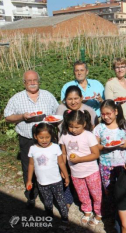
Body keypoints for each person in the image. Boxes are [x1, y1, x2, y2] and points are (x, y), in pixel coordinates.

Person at [4, 70, 59, 209]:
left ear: (38, 81)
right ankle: (31, 195)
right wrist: (22, 116)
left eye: (35, 80)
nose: (33, 83)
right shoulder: (16, 98)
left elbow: (58, 112)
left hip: (48, 139)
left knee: (51, 165)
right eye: (29, 81)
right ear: (24, 83)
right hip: (27, 139)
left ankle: (53, 193)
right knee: (28, 167)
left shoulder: (48, 95)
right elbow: (8, 117)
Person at [59, 110, 102, 226]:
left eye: (77, 127)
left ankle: (98, 212)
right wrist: (64, 170)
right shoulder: (64, 135)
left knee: (96, 193)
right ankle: (87, 211)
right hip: (75, 173)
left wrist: (79, 159)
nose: (73, 129)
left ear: (84, 124)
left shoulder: (88, 135)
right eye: (71, 126)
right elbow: (63, 154)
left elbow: (95, 154)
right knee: (82, 193)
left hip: (91, 171)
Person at [93, 100, 126, 215]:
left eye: (108, 113)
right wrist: (104, 147)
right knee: (108, 189)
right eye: (103, 114)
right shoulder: (99, 128)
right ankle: (112, 212)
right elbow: (96, 145)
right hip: (106, 164)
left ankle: (125, 210)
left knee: (123, 188)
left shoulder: (124, 126)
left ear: (115, 111)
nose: (105, 117)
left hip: (122, 163)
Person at [26, 123, 70, 221]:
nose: (44, 140)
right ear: (35, 136)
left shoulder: (55, 147)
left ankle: (64, 216)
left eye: (47, 137)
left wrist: (66, 176)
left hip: (56, 181)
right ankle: (49, 215)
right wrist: (29, 180)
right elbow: (31, 165)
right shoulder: (33, 149)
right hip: (42, 182)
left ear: (51, 136)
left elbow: (61, 163)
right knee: (47, 200)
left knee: (60, 199)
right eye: (41, 137)